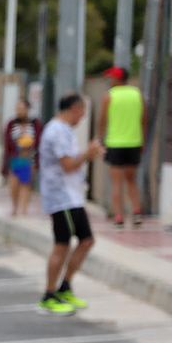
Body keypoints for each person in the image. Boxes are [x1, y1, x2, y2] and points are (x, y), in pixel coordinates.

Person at [37, 91, 104, 314]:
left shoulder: (65, 130)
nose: (83, 116)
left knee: (86, 240)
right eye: (82, 110)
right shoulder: (56, 130)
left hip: (72, 197)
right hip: (61, 197)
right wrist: (88, 154)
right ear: (75, 108)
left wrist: (88, 155)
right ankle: (48, 295)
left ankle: (64, 287)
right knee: (62, 245)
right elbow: (67, 165)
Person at [98, 65, 145, 227]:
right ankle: (136, 211)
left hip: (115, 143)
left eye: (111, 77)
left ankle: (119, 217)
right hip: (134, 142)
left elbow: (102, 120)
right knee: (132, 180)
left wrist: (100, 139)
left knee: (117, 183)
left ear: (118, 78)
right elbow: (143, 119)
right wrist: (142, 140)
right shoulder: (137, 94)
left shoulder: (109, 96)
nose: (109, 80)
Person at [1, 100, 41, 217]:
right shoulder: (11, 123)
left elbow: (38, 141)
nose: (19, 111)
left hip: (29, 159)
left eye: (22, 108)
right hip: (15, 158)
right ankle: (14, 206)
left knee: (26, 185)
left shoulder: (34, 124)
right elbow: (7, 141)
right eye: (17, 108)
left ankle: (24, 210)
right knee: (14, 184)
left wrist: (30, 149)